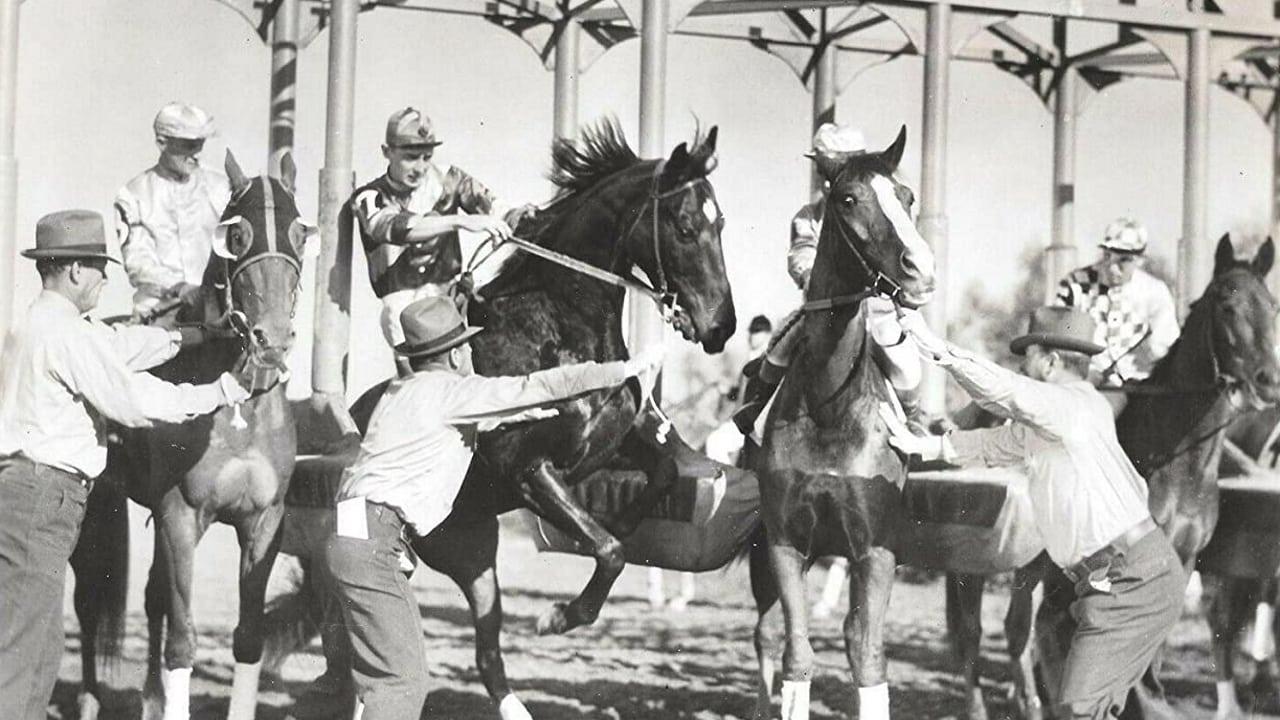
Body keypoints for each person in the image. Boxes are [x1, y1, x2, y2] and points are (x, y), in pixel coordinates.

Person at [323, 296, 664, 720]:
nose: (471, 352)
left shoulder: (401, 391)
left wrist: (525, 413)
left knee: (359, 677)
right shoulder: (454, 392)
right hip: (376, 540)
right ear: (451, 355)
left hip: (348, 531)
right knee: (402, 683)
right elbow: (536, 385)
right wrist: (624, 370)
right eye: (465, 346)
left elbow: (468, 424)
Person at [0, 210, 250, 720]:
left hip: (35, 497)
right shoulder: (65, 334)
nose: (105, 278)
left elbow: (118, 346)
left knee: (37, 650)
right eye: (98, 267)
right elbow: (132, 400)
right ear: (74, 271)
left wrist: (195, 335)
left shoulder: (46, 323)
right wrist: (219, 391)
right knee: (24, 655)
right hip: (42, 497)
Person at [880, 305, 1185, 719]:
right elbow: (990, 446)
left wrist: (935, 347)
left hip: (1130, 580)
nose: (1023, 368)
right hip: (1122, 580)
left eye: (1029, 357)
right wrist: (923, 447)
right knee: (1112, 708)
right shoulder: (1059, 422)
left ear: (1052, 363)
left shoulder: (1068, 407)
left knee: (1079, 709)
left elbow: (1002, 391)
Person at [732, 123, 924, 435]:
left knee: (903, 359)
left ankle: (915, 420)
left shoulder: (875, 209)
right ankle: (759, 405)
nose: (825, 176)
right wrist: (808, 274)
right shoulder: (808, 216)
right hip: (823, 308)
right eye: (824, 168)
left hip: (875, 306)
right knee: (778, 348)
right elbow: (801, 252)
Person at [351, 107, 538, 354]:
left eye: (427, 157)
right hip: (403, 314)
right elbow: (392, 227)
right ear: (387, 152)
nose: (420, 167)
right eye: (410, 157)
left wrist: (518, 216)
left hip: (450, 303)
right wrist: (460, 221)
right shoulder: (370, 196)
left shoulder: (449, 178)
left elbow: (493, 206)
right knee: (420, 381)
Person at [114, 102, 231, 319]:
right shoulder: (133, 194)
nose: (196, 155)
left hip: (214, 312)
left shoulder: (222, 187)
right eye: (188, 146)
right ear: (161, 142)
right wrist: (180, 287)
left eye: (200, 145)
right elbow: (138, 261)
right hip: (159, 311)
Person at [1054, 217, 1178, 387]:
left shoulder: (1155, 292)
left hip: (1137, 387)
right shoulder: (1075, 284)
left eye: (1124, 260)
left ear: (1140, 259)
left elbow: (1165, 345)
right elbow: (1057, 337)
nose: (1112, 267)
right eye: (1107, 256)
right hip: (1082, 384)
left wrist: (1129, 367)